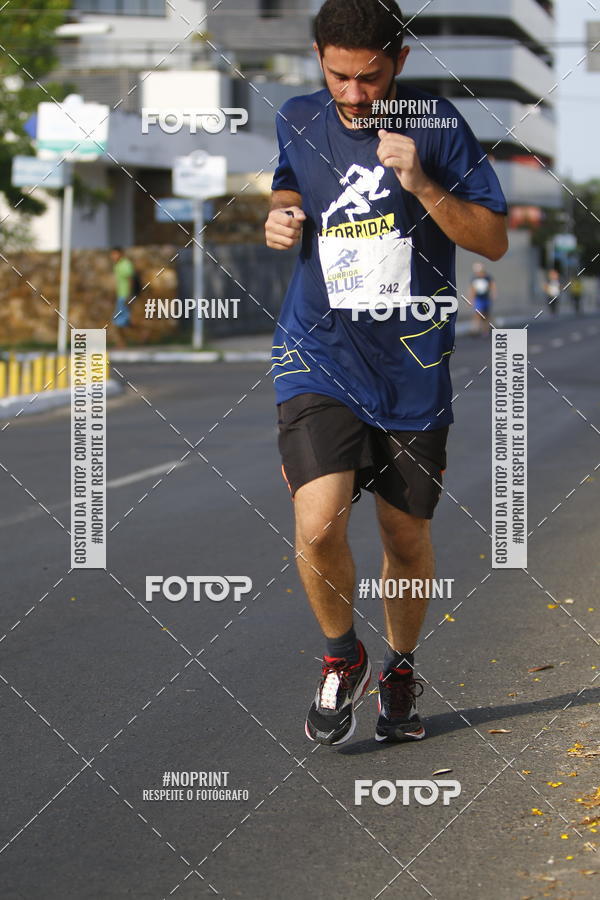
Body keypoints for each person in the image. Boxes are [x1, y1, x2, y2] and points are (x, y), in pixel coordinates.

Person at [265, 0, 508, 746]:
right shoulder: (300, 116)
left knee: (404, 538)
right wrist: (281, 213)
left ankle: (400, 668)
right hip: (318, 352)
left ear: (398, 62)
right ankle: (344, 656)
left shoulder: (438, 127)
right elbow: (289, 179)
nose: (352, 94)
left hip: (410, 369)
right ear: (319, 58)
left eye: (368, 79)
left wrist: (426, 185)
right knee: (317, 522)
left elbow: (494, 239)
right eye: (337, 75)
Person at [110, 247, 135, 346]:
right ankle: (123, 342)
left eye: (115, 254)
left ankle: (122, 343)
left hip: (125, 296)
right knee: (122, 321)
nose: (113, 256)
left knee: (119, 321)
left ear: (120, 254)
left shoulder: (125, 264)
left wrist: (129, 295)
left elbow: (130, 279)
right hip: (120, 295)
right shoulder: (117, 265)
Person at [469, 262, 496, 337]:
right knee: (477, 313)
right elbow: (472, 289)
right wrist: (471, 299)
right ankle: (475, 329)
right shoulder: (474, 279)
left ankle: (485, 330)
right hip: (478, 299)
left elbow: (492, 285)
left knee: (486, 315)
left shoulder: (487, 277)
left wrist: (493, 294)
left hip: (486, 298)